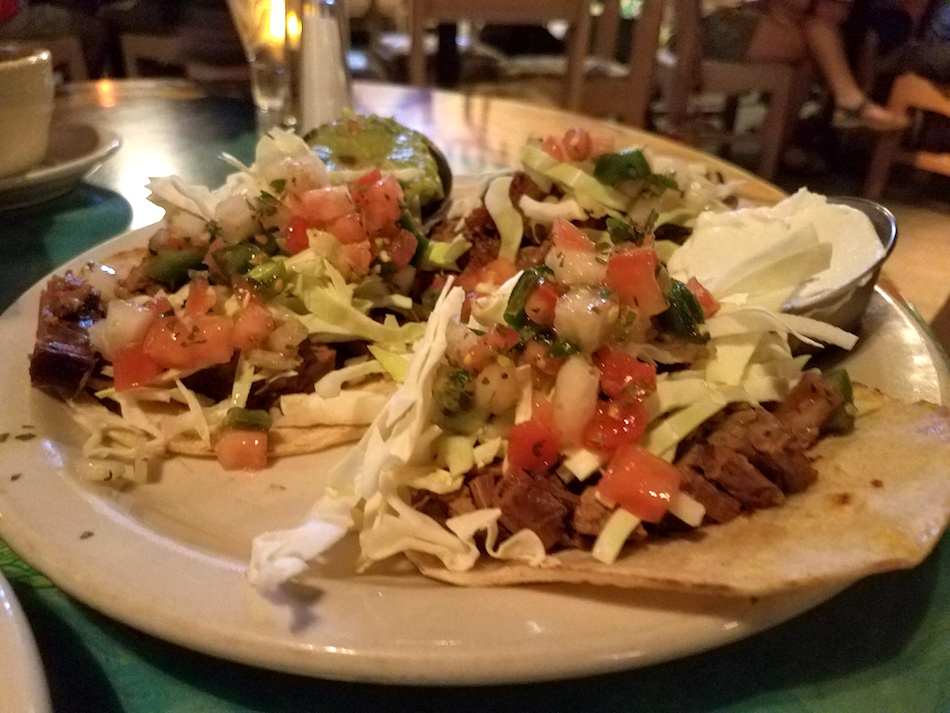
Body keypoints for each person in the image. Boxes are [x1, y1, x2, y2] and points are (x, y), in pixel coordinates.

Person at [702, 0, 909, 129]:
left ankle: (778, 143)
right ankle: (849, 100)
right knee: (817, 37)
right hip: (712, 26)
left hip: (725, 20)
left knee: (819, 33)